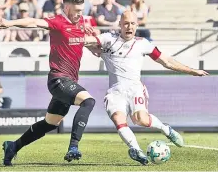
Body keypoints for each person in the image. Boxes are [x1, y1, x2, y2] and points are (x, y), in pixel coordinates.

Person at [85, 10, 209, 165]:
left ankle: (166, 130)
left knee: (141, 120)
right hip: (115, 91)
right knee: (119, 118)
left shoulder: (143, 44)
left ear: (137, 25)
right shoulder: (108, 39)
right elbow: (90, 43)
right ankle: (136, 150)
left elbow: (167, 61)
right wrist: (81, 35)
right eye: (125, 23)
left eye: (132, 23)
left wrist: (191, 71)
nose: (129, 27)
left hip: (135, 88)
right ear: (120, 25)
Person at [0, 0, 96, 166]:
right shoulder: (57, 22)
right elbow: (33, 22)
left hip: (69, 82)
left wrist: (95, 45)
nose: (81, 13)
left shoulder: (80, 24)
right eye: (77, 10)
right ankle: (73, 147)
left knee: (51, 123)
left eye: (82, 10)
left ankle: (13, 146)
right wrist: (9, 23)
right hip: (59, 80)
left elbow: (84, 43)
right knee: (88, 102)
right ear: (66, 6)